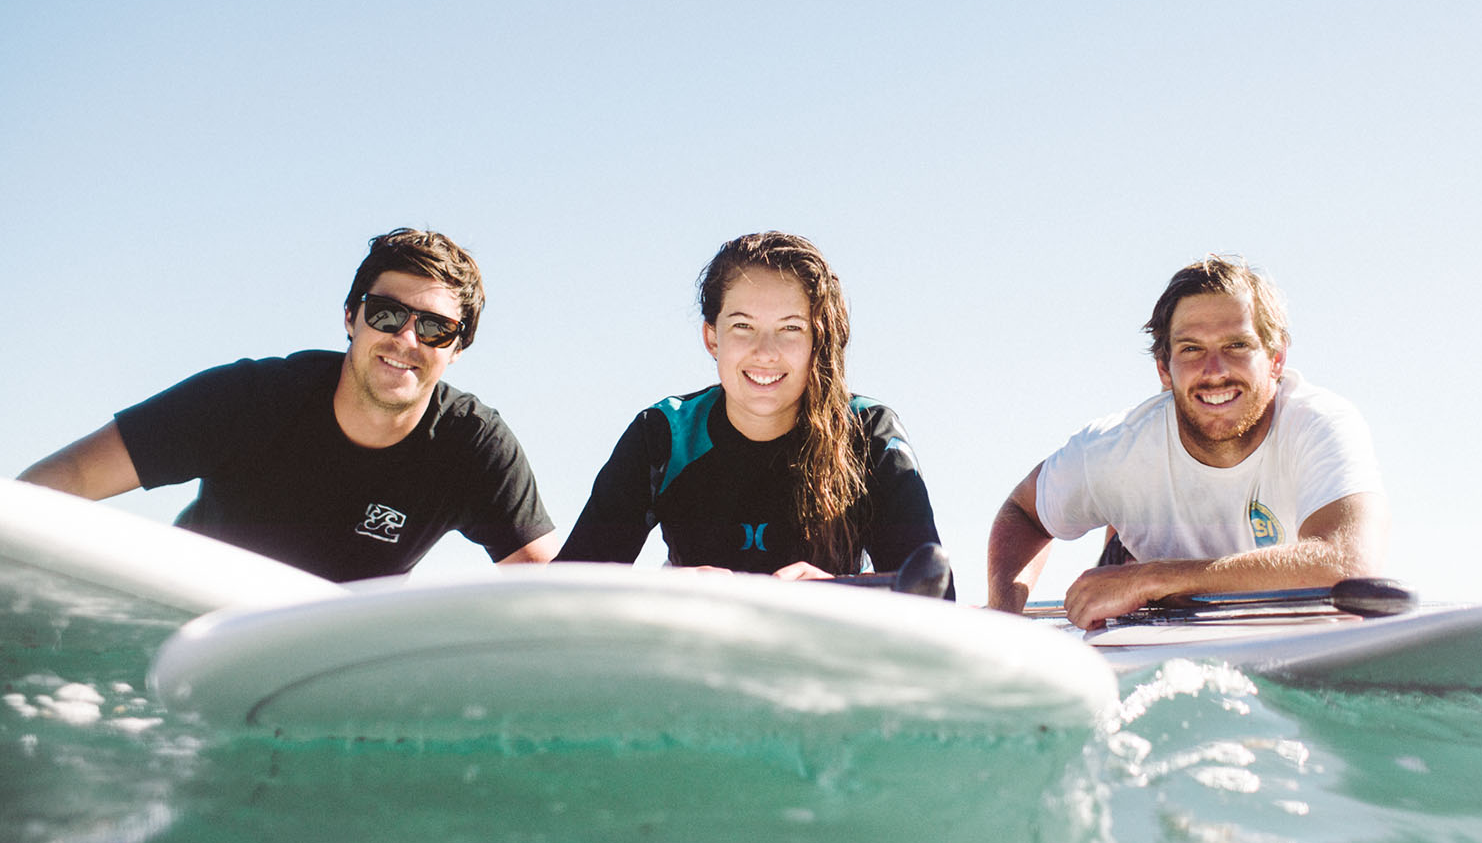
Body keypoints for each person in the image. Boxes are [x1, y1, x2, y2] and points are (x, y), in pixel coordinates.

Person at [19, 228, 559, 582]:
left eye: (436, 328)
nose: (407, 341)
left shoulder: (473, 446)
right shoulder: (250, 399)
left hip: (319, 661)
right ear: (351, 317)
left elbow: (549, 590)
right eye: (388, 314)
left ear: (457, 349)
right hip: (190, 623)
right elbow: (62, 479)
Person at [986, 255, 1387, 628]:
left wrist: (1151, 579)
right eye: (1191, 349)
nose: (1214, 371)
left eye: (1236, 345)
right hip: (1156, 642)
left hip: (1288, 641)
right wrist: (1004, 620)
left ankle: (1128, 553)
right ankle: (1122, 542)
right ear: (1164, 369)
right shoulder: (1115, 449)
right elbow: (1023, 513)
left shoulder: (1319, 424)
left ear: (1276, 358)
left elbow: (1349, 563)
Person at [556, 230, 951, 596]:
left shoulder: (868, 432)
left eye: (791, 328)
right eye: (743, 326)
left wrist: (836, 591)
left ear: (818, 339)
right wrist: (666, 591)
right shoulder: (664, 433)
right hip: (691, 655)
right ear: (712, 337)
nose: (765, 351)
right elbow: (566, 590)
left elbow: (931, 588)